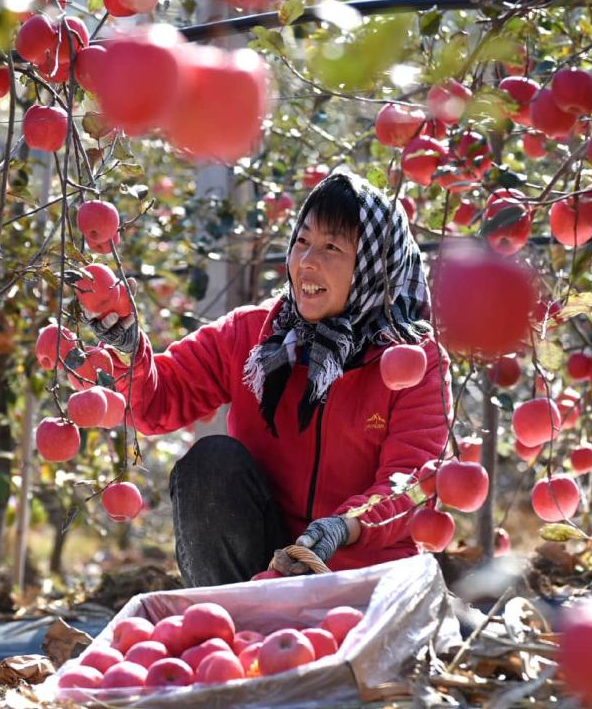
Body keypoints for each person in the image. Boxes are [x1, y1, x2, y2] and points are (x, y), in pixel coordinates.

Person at [86, 169, 451, 586]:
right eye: (302, 241)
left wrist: (343, 527)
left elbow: (413, 481)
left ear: (375, 266)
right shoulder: (255, 335)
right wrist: (130, 350)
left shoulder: (412, 362)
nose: (307, 262)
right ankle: (226, 617)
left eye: (331, 246)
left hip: (365, 571)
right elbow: (160, 401)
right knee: (211, 464)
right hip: (267, 565)